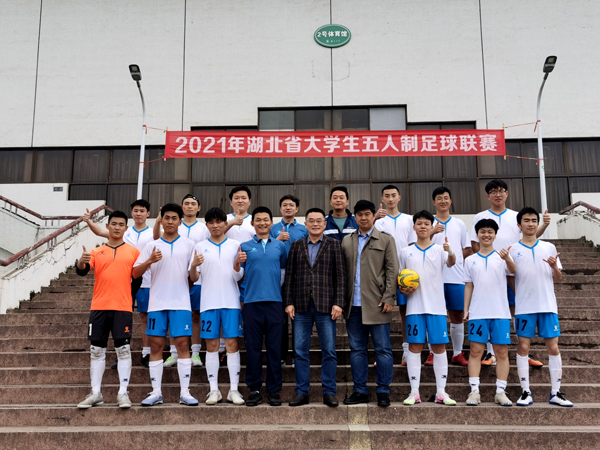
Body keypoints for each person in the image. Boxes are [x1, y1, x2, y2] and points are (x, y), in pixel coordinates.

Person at [470, 179, 549, 367]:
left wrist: (544, 225)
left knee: (517, 309)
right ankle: (491, 353)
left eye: (501, 191)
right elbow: (474, 243)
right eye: (493, 191)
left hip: (513, 271)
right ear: (487, 196)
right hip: (490, 273)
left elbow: (530, 236)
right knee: (491, 310)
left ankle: (524, 352)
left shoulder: (516, 217)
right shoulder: (480, 216)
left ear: (507, 194)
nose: (498, 194)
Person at [133, 203, 198, 407]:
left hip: (181, 303)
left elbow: (193, 277)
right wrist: (149, 261)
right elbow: (135, 273)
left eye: (174, 218)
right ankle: (156, 392)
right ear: (161, 221)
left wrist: (194, 268)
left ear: (180, 221)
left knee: (182, 345)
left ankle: (185, 392)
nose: (170, 221)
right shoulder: (151, 246)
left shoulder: (189, 244)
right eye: (166, 218)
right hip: (156, 303)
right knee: (156, 346)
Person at [509, 207, 573, 407]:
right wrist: (521, 295)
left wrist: (554, 266)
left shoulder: (549, 247)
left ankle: (556, 392)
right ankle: (525, 392)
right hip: (524, 307)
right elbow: (510, 278)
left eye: (533, 220)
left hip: (547, 305)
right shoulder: (513, 249)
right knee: (523, 347)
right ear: (519, 225)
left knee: (553, 347)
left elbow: (558, 277)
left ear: (538, 223)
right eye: (526, 220)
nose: (530, 224)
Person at [76, 211, 140, 409]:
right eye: (114, 224)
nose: (117, 227)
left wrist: (127, 298)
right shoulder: (96, 252)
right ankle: (96, 393)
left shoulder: (133, 252)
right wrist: (82, 260)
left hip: (122, 308)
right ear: (108, 226)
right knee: (96, 351)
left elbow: (137, 280)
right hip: (99, 307)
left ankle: (123, 393)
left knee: (124, 350)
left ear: (126, 228)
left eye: (121, 224)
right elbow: (82, 271)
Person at [283, 207, 345, 408]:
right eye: (311, 220)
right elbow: (290, 276)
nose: (315, 224)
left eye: (319, 220)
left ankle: (329, 392)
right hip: (301, 306)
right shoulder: (296, 246)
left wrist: (338, 302)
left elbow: (340, 276)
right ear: (306, 224)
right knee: (300, 351)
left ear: (325, 224)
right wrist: (288, 302)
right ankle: (302, 391)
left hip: (326, 306)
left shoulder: (334, 245)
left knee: (329, 351)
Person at [83, 199, 154, 368]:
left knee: (144, 317)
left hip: (144, 281)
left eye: (142, 211)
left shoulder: (152, 233)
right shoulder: (123, 231)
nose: (139, 213)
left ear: (148, 214)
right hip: (122, 284)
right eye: (136, 210)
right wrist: (88, 221)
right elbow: (100, 231)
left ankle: (146, 353)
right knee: (121, 321)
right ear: (132, 213)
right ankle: (120, 355)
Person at [341, 200, 398, 408]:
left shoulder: (385, 239)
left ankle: (383, 390)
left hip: (378, 303)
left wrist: (389, 297)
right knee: (357, 349)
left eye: (367, 214)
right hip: (353, 305)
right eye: (359, 214)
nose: (363, 218)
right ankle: (360, 390)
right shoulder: (347, 241)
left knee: (383, 349)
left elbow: (392, 269)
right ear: (354, 217)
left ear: (374, 215)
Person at [399, 210, 457, 406]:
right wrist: (403, 289)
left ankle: (441, 392)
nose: (423, 226)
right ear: (414, 227)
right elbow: (401, 279)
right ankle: (414, 392)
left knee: (439, 348)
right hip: (414, 308)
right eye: (419, 223)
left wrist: (450, 250)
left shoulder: (440, 249)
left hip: (437, 308)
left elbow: (451, 263)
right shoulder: (405, 252)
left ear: (432, 227)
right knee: (414, 348)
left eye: (426, 224)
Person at [189, 208, 246, 406]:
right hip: (208, 303)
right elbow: (194, 278)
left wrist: (237, 265)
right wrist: (193, 265)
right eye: (211, 222)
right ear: (207, 225)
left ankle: (233, 390)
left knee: (232, 346)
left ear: (225, 223)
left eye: (219, 222)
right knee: (212, 347)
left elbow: (238, 276)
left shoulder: (235, 245)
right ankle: (214, 390)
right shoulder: (199, 246)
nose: (215, 225)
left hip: (231, 302)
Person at [463, 219, 515, 407]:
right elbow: (469, 285)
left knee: (501, 352)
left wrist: (507, 258)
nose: (486, 235)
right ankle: (474, 391)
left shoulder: (502, 256)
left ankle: (500, 392)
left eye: (490, 231)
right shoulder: (470, 260)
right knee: (476, 351)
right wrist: (466, 309)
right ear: (477, 235)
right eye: (482, 231)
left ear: (495, 234)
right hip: (478, 312)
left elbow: (514, 271)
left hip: (500, 312)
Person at [154, 194, 210, 369]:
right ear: (182, 206)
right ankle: (173, 353)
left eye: (193, 203)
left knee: (195, 315)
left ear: (198, 208)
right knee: (173, 316)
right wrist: (158, 219)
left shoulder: (203, 228)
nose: (190, 206)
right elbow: (157, 239)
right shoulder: (174, 223)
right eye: (186, 203)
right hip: (175, 280)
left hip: (196, 278)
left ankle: (195, 352)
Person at [240, 206, 287, 407]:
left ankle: (274, 390)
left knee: (275, 349)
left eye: (266, 219)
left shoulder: (280, 246)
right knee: (253, 349)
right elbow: (238, 274)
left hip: (275, 303)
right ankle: (255, 389)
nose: (262, 223)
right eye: (258, 220)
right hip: (251, 303)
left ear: (271, 222)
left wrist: (272, 289)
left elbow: (283, 272)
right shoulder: (244, 246)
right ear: (252, 223)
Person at [373, 185, 416, 365]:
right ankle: (382, 352)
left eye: (393, 195)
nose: (390, 199)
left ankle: (407, 350)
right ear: (382, 199)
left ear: (399, 197)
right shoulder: (378, 221)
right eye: (387, 196)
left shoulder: (410, 219)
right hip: (384, 274)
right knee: (382, 312)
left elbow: (413, 245)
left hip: (405, 273)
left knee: (406, 312)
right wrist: (374, 217)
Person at [429, 187, 472, 367]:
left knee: (457, 315)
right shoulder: (428, 222)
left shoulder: (459, 224)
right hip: (433, 277)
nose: (443, 201)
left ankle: (457, 353)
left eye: (446, 198)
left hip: (456, 276)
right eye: (439, 198)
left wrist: (454, 258)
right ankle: (433, 353)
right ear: (434, 202)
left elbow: (467, 248)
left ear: (451, 201)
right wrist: (432, 231)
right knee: (433, 315)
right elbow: (419, 244)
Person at [270, 194, 308, 367]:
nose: (288, 208)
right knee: (280, 317)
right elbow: (266, 246)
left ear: (297, 209)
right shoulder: (273, 228)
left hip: (297, 274)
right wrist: (277, 240)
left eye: (291, 205)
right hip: (277, 272)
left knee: (297, 317)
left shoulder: (303, 229)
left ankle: (297, 355)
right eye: (284, 205)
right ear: (280, 209)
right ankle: (282, 355)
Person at [223, 186, 256, 365]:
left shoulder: (254, 220)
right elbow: (214, 234)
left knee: (244, 305)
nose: (240, 201)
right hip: (225, 268)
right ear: (231, 201)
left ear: (249, 201)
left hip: (249, 269)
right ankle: (223, 347)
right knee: (227, 306)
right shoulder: (225, 219)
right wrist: (231, 223)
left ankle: (244, 344)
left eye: (244, 198)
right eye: (237, 198)